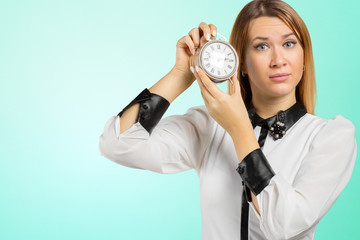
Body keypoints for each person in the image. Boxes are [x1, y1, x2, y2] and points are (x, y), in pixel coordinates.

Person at [98, 0, 357, 239]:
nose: (279, 60)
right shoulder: (208, 125)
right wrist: (180, 74)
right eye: (261, 46)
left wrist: (239, 129)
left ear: (304, 55)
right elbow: (117, 144)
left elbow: (284, 224)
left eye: (289, 43)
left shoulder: (331, 136)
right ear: (240, 62)